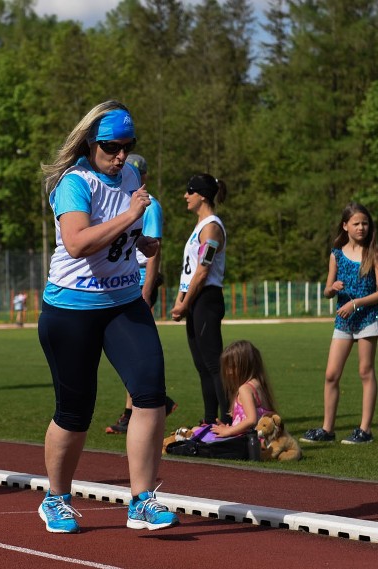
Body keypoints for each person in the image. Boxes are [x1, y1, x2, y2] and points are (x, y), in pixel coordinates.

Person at [36, 100, 179, 534]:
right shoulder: (74, 183)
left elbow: (125, 239)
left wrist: (143, 245)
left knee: (150, 393)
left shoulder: (131, 175)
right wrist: (130, 217)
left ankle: (141, 500)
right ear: (90, 144)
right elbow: (78, 243)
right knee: (75, 412)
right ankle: (55, 498)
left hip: (123, 303)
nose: (120, 156)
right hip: (71, 310)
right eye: (111, 147)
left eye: (127, 146)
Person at [300, 202, 378, 445]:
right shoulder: (336, 253)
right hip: (343, 321)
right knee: (331, 375)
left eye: (365, 223)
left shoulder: (374, 254)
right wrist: (332, 288)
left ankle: (365, 431)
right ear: (345, 225)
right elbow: (328, 291)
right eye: (357, 223)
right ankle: (327, 430)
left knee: (365, 372)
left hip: (367, 318)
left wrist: (356, 303)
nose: (361, 228)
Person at [105, 153, 175, 435]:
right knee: (126, 350)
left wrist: (146, 292)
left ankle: (146, 406)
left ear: (143, 176)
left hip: (139, 282)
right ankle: (131, 411)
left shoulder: (150, 205)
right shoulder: (121, 201)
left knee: (133, 350)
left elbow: (154, 249)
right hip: (123, 281)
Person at [171, 173, 230, 426]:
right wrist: (180, 300)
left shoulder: (212, 227)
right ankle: (209, 420)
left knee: (214, 364)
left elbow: (203, 270)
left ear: (202, 195)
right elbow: (189, 271)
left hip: (207, 299)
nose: (185, 195)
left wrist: (185, 302)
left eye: (190, 191)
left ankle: (229, 420)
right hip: (195, 300)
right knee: (202, 365)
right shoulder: (200, 226)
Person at [209, 340, 278, 438]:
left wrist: (229, 432)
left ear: (245, 366)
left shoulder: (245, 389)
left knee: (197, 431)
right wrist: (229, 428)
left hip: (248, 442)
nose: (228, 372)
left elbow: (251, 420)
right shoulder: (258, 384)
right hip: (259, 440)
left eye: (232, 367)